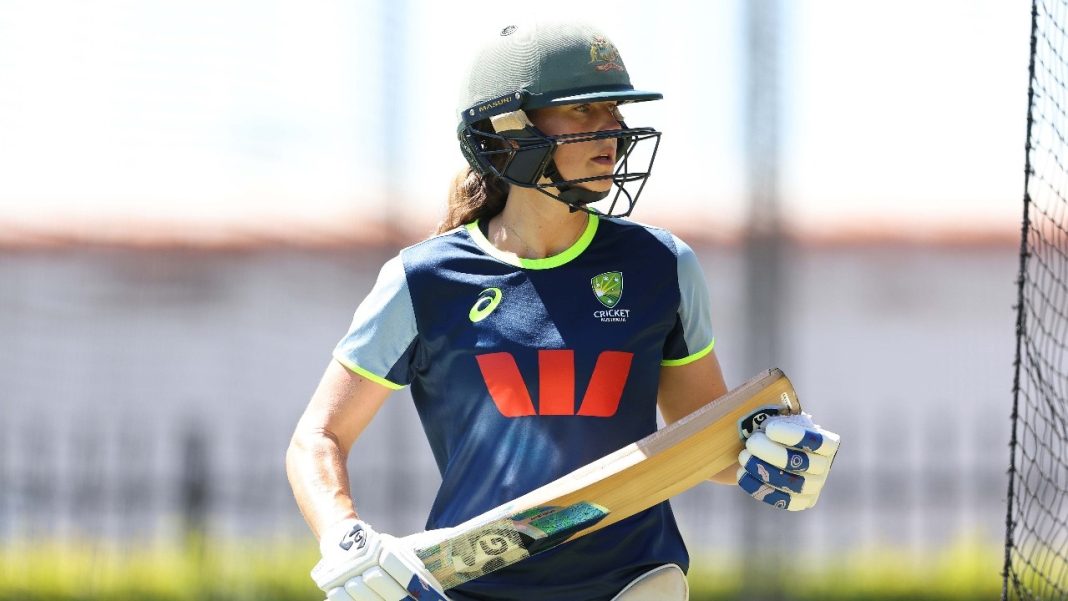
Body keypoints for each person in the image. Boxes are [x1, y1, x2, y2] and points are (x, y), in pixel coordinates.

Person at [286, 21, 840, 601]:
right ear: (508, 130)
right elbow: (318, 437)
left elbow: (705, 446)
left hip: (634, 584)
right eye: (583, 110)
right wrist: (344, 537)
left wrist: (768, 446)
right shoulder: (423, 280)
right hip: (470, 588)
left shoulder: (662, 265)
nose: (614, 129)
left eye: (615, 110)